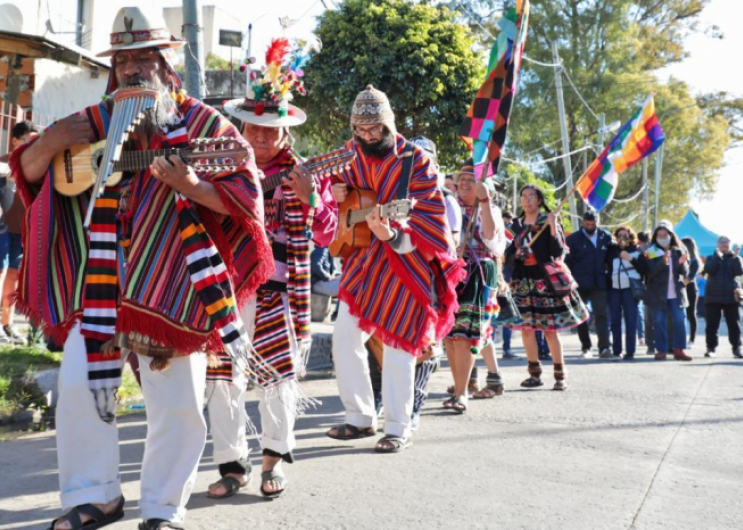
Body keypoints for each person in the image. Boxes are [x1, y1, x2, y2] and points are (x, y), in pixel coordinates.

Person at [10, 7, 273, 529]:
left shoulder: (204, 124)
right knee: (81, 391)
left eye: (143, 58)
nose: (131, 69)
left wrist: (194, 188)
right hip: (100, 279)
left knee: (176, 402)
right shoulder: (89, 120)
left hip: (174, 281)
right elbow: (33, 176)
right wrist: (53, 140)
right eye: (123, 59)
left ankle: (162, 509)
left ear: (165, 60)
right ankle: (95, 496)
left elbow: (247, 198)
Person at [206, 44, 338, 500]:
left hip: (279, 293)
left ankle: (273, 461)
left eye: (271, 130)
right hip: (225, 289)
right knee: (222, 378)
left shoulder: (305, 174)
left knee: (278, 378)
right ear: (244, 126)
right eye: (254, 128)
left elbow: (328, 233)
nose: (261, 137)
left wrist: (312, 200)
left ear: (285, 132)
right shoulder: (224, 167)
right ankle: (232, 465)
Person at [326, 85, 463, 452]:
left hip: (405, 264)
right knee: (344, 338)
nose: (368, 138)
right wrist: (335, 192)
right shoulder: (349, 153)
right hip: (361, 264)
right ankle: (359, 417)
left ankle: (398, 427)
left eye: (375, 130)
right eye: (361, 131)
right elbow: (329, 190)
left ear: (389, 124)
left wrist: (389, 235)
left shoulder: (415, 160)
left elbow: (430, 221)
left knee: (399, 342)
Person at [505, 185, 589, 390]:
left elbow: (557, 251)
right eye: (523, 196)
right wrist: (515, 256)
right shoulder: (514, 226)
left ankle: (560, 375)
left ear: (539, 200)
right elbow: (505, 254)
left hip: (544, 280)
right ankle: (534, 374)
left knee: (550, 329)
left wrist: (553, 226)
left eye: (531, 196)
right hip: (522, 281)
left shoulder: (547, 221)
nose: (527, 200)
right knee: (526, 329)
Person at [443, 164, 506, 411]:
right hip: (450, 272)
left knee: (466, 335)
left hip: (478, 273)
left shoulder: (489, 210)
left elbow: (491, 238)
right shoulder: (449, 206)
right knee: (449, 336)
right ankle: (460, 386)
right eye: (463, 179)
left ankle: (461, 394)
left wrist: (484, 203)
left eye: (472, 179)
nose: (467, 183)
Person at [0, 121, 38, 344]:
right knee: (2, 274)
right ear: (15, 140)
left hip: (24, 231)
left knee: (13, 278)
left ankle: (8, 325)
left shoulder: (37, 162)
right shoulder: (4, 163)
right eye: (27, 140)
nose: (32, 144)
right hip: (4, 229)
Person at [565, 211, 613, 359]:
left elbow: (610, 260)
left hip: (599, 283)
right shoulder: (573, 239)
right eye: (587, 224)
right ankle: (586, 347)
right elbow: (567, 262)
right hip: (580, 283)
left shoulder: (606, 237)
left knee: (602, 315)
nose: (590, 226)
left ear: (598, 222)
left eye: (593, 224)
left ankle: (604, 347)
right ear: (583, 222)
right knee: (581, 317)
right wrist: (569, 282)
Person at [643, 222, 692, 361]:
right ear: (655, 237)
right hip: (657, 294)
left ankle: (679, 350)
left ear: (671, 235)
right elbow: (650, 272)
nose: (663, 237)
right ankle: (661, 350)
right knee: (659, 322)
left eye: (665, 235)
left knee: (680, 320)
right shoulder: (651, 251)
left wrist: (682, 264)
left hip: (676, 293)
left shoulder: (679, 250)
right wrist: (662, 261)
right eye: (660, 235)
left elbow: (685, 272)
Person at [606, 226, 646, 360]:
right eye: (620, 235)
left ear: (630, 237)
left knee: (631, 320)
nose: (623, 238)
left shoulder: (636, 251)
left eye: (625, 235)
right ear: (616, 238)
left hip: (630, 289)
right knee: (615, 320)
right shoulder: (611, 251)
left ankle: (630, 351)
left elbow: (644, 269)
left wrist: (631, 259)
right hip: (614, 289)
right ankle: (617, 350)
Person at [702, 235, 743, 358]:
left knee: (734, 324)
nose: (725, 244)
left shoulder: (736, 258)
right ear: (717, 245)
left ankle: (737, 348)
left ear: (731, 245)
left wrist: (736, 258)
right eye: (722, 242)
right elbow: (709, 270)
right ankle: (711, 348)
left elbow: (739, 272)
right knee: (712, 324)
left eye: (727, 242)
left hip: (731, 296)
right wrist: (717, 257)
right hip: (713, 296)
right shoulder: (710, 257)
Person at [681, 237, 701, 345]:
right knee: (679, 314)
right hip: (680, 288)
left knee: (690, 314)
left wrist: (679, 285)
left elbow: (690, 277)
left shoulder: (695, 261)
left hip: (690, 289)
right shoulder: (680, 258)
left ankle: (692, 339)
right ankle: (679, 338)